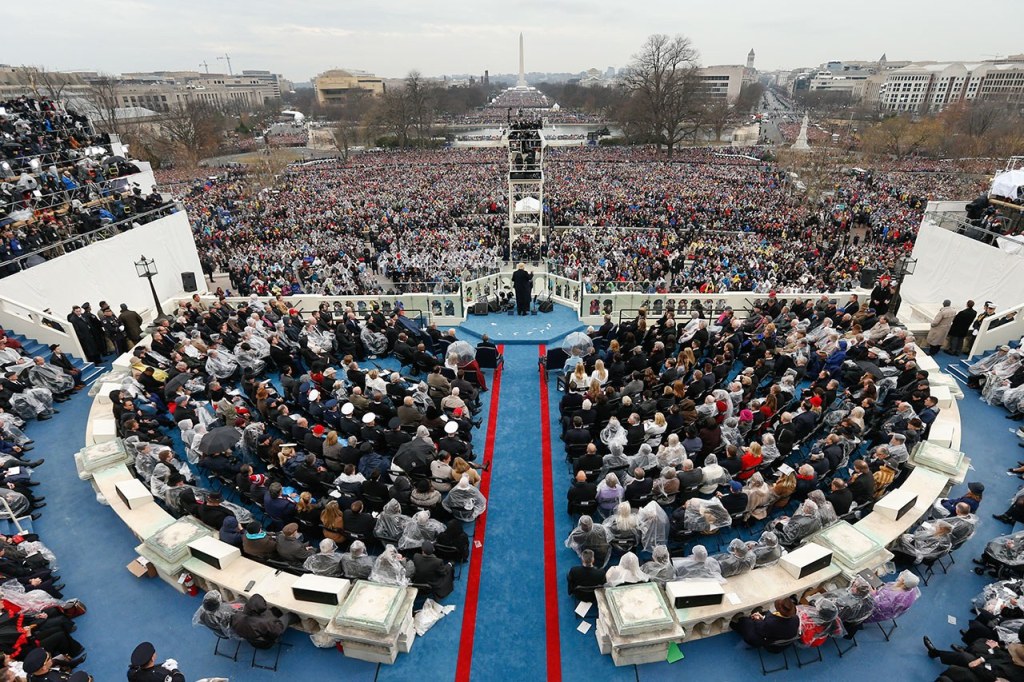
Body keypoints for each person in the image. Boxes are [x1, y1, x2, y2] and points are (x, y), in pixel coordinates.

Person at [730, 598, 800, 648]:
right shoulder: (796, 619)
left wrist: (757, 619)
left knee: (746, 622)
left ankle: (733, 624)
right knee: (766, 614)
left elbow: (761, 629)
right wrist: (763, 618)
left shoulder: (771, 623)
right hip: (781, 638)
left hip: (770, 642)